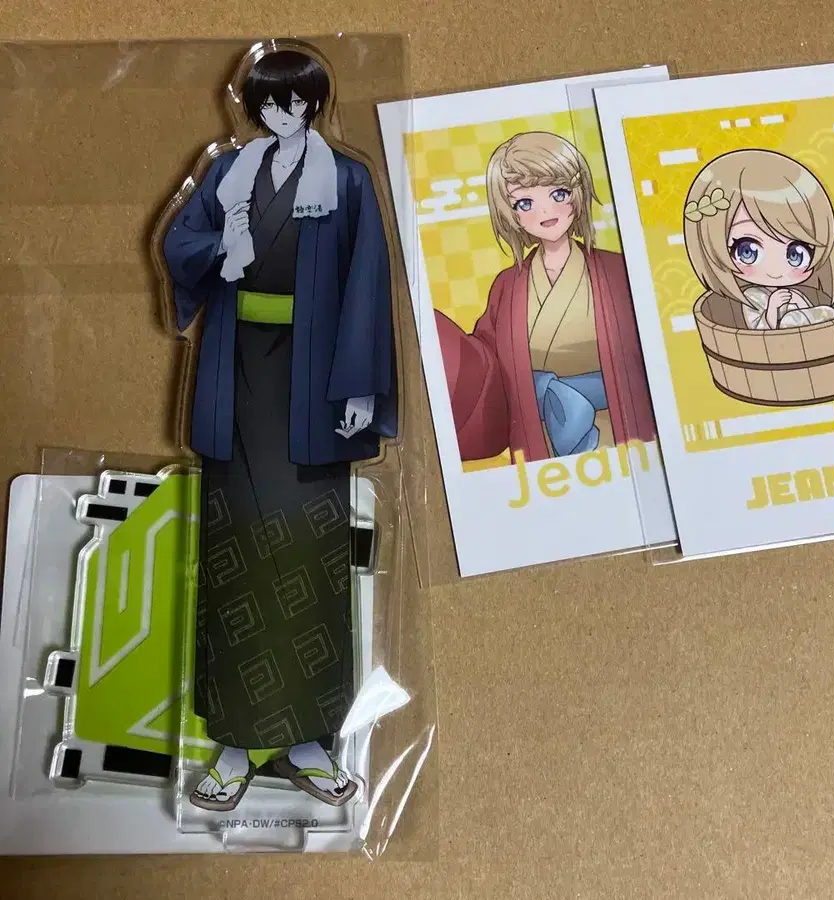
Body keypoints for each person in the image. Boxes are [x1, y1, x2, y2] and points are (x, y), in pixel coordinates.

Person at [160, 45, 396, 812]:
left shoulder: (346, 180)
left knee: (311, 564)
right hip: (239, 376)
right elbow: (179, 245)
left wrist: (359, 385)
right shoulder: (231, 174)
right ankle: (232, 744)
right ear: (255, 108)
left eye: (295, 103)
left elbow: (366, 281)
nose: (282, 115)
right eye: (268, 103)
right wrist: (221, 252)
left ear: (314, 105)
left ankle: (307, 743)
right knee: (231, 562)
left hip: (312, 388)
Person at [435, 131, 655, 464]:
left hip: (618, 430)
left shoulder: (618, 271)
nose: (545, 210)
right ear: (510, 213)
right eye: (525, 203)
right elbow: (487, 371)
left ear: (578, 193)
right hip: (539, 440)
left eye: (558, 193)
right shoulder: (507, 286)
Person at [683, 149, 834, 331]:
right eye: (748, 252)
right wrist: (772, 308)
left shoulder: (792, 293)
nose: (775, 270)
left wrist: (800, 304)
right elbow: (762, 333)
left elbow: (808, 315)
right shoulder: (752, 297)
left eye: (796, 254)